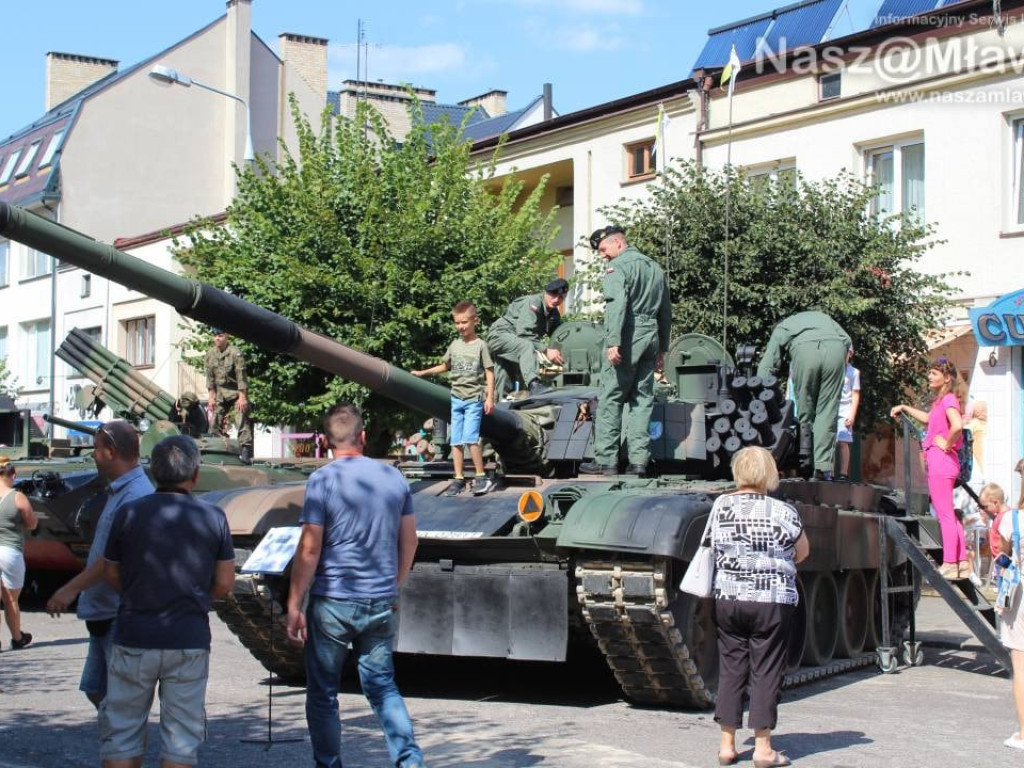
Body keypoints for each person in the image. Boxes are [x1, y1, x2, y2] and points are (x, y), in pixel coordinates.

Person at [286, 402, 426, 768]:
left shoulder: (322, 480)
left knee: (323, 695)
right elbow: (410, 541)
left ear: (325, 441)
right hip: (379, 600)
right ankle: (410, 762)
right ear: (363, 437)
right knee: (383, 688)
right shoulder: (395, 478)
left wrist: (294, 603)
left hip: (333, 602)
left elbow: (310, 548)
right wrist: (394, 584)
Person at [99, 435, 234, 768]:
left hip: (135, 633)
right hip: (188, 636)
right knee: (180, 742)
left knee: (122, 735)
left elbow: (111, 572)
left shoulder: (128, 513)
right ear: (195, 474)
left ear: (152, 471)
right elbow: (224, 582)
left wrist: (136, 593)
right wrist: (197, 599)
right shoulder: (214, 517)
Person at [710, 447, 809, 768]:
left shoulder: (720, 506)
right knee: (766, 669)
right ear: (769, 473)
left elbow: (711, 544)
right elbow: (803, 551)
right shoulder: (783, 511)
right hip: (771, 601)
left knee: (731, 667)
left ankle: (727, 745)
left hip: (729, 598)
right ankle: (763, 749)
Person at [45, 420, 154, 708]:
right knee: (96, 688)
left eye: (96, 448)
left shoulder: (136, 496)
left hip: (119, 613)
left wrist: (70, 588)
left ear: (111, 452)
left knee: (121, 701)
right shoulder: (120, 490)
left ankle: (122, 737)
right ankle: (116, 733)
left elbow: (113, 560)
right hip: (105, 610)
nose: (93, 454)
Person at [580, 226, 672, 477]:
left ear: (618, 243)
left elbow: (617, 306)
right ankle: (639, 462)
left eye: (604, 249)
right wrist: (663, 349)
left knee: (611, 397)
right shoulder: (655, 268)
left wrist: (613, 341)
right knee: (642, 400)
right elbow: (665, 312)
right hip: (651, 336)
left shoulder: (618, 267)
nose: (603, 255)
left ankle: (606, 461)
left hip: (628, 335)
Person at [890, 358, 967, 580]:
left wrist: (947, 443)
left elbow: (957, 425)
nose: (929, 377)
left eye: (934, 373)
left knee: (944, 515)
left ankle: (950, 562)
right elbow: (928, 419)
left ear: (947, 378)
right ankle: (962, 562)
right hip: (944, 462)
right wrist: (905, 407)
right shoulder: (940, 402)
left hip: (941, 461)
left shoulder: (949, 399)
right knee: (949, 513)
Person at [412, 301, 496, 496]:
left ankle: (481, 477)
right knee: (456, 441)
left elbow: (489, 372)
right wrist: (423, 373)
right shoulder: (455, 345)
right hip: (456, 398)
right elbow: (445, 366)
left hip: (473, 398)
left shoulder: (481, 346)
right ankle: (458, 478)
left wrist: (489, 397)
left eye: (464, 322)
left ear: (475, 321)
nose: (461, 326)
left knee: (471, 439)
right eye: (457, 323)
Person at [757, 310, 851, 479]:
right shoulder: (823, 317)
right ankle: (822, 467)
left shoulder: (782, 327)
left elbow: (767, 367)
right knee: (827, 411)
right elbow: (847, 340)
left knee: (805, 410)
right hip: (836, 351)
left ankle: (805, 462)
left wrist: (760, 396)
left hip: (805, 352)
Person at [486, 277, 569, 397]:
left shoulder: (553, 313)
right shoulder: (534, 303)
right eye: (553, 294)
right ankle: (534, 385)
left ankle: (502, 403)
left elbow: (559, 334)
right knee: (526, 346)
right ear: (546, 292)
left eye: (561, 297)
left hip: (513, 342)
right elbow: (525, 334)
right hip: (499, 336)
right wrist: (546, 351)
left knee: (505, 376)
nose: (556, 299)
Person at [0, 456, 39, 650]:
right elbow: (31, 523)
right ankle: (17, 638)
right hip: (10, 552)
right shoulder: (17, 497)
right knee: (11, 599)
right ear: (13, 475)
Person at [996, 503, 1024, 750]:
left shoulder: (1012, 519)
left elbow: (1003, 552)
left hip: (1021, 597)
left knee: (1021, 667)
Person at [205, 328, 253, 463]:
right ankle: (215, 450)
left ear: (227, 337)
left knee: (241, 419)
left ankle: (245, 451)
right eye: (215, 336)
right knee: (214, 421)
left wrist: (242, 397)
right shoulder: (210, 354)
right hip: (221, 394)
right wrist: (211, 397)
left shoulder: (235, 353)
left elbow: (241, 377)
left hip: (236, 393)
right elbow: (210, 378)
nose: (217, 338)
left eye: (220, 336)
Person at [836, 346, 860, 480]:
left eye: (847, 352)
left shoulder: (854, 372)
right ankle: (828, 473)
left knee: (843, 442)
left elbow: (855, 394)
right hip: (831, 410)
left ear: (851, 354)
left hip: (845, 411)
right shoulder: (833, 369)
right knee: (829, 443)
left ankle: (843, 473)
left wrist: (852, 415)